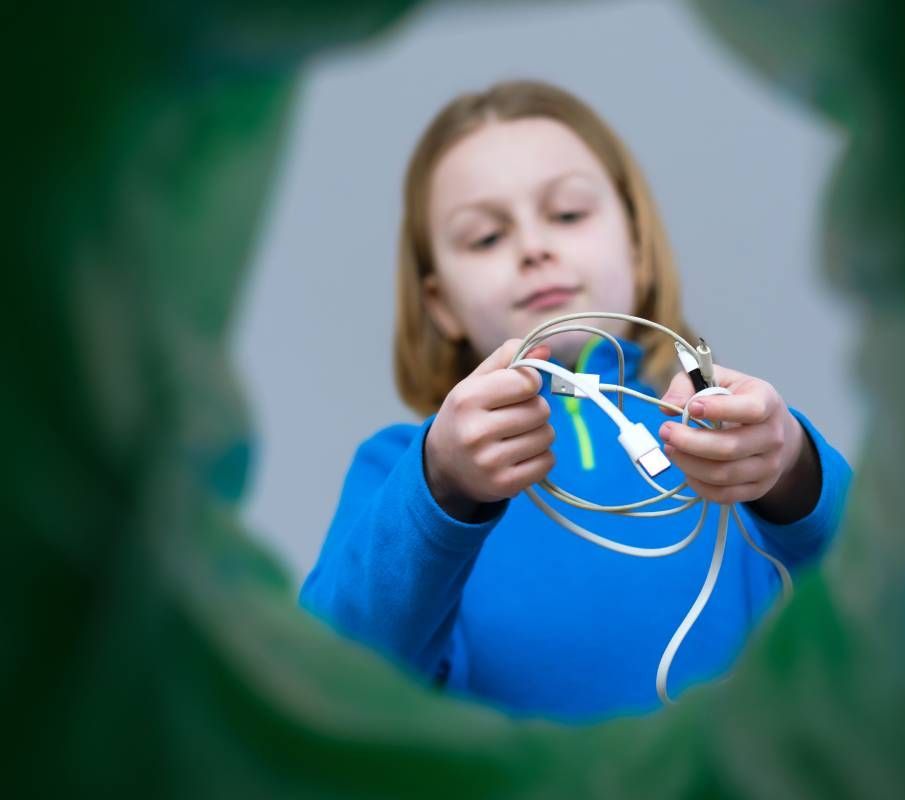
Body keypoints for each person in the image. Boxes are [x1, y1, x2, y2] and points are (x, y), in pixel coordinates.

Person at [300, 80, 852, 723]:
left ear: (640, 252)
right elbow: (332, 678)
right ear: (441, 305)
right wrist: (439, 487)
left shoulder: (736, 450)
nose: (535, 248)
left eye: (567, 214)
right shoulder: (405, 473)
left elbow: (899, 611)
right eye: (485, 238)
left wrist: (792, 469)